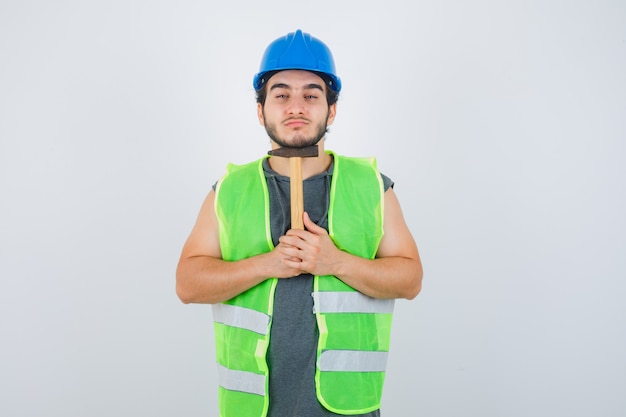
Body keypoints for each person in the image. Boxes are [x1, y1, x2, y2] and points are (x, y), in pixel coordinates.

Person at [176, 29, 423, 417]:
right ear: (261, 110)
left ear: (332, 109)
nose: (296, 106)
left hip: (347, 408)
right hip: (254, 407)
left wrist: (335, 262)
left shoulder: (371, 187)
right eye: (281, 94)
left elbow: (410, 281)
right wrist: (267, 264)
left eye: (311, 95)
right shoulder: (229, 190)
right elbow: (187, 285)